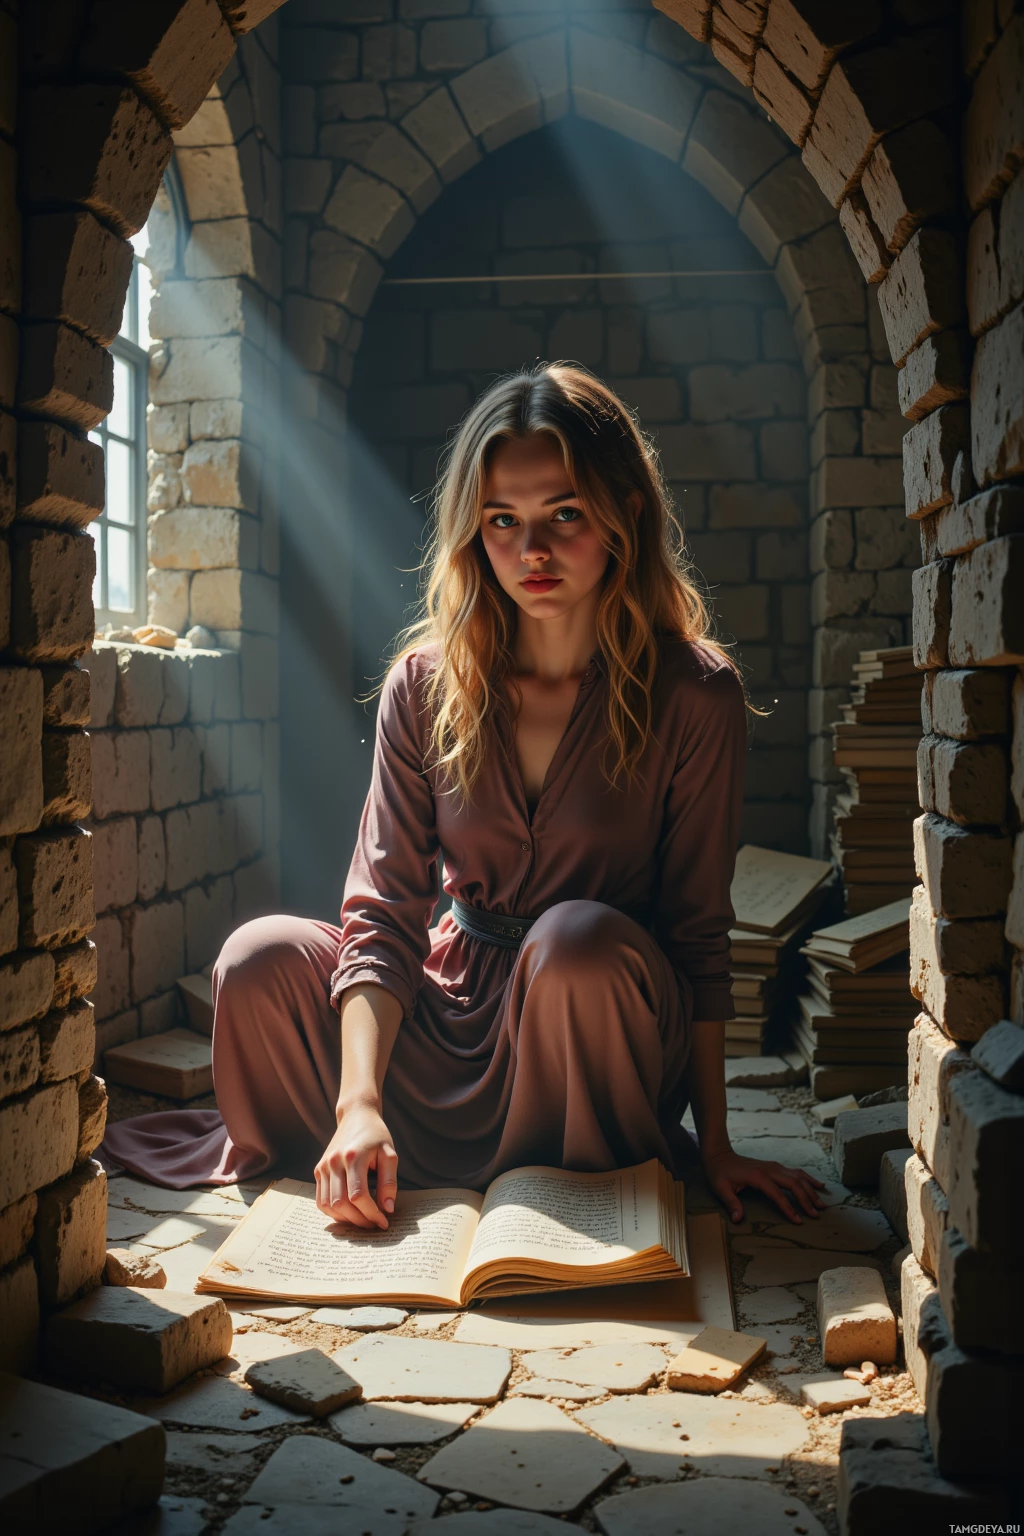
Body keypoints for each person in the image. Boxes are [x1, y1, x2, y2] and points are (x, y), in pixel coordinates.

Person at [103, 363, 823, 1231]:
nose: (534, 552)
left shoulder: (696, 694)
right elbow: (383, 913)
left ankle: (560, 1170)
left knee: (574, 942)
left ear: (625, 511)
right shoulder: (425, 683)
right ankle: (368, 1141)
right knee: (258, 957)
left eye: (565, 514)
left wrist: (715, 1147)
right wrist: (358, 1102)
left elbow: (700, 934)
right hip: (450, 1014)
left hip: (596, 1019)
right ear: (473, 534)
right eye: (502, 522)